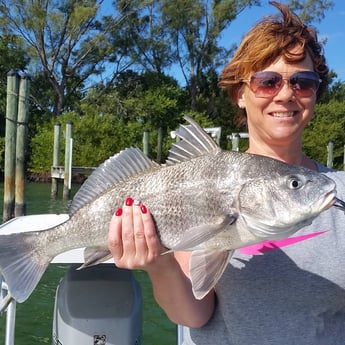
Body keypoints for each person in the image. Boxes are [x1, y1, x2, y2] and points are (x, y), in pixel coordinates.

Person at [107, 2, 345, 344]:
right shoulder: (199, 183)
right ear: (240, 94)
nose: (286, 94)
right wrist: (158, 264)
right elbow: (194, 314)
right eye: (267, 81)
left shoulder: (337, 191)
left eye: (303, 82)